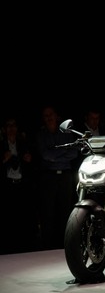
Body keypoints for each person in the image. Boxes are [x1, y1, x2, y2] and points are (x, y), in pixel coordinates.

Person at [35, 105, 80, 249]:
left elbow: (74, 153)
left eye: (51, 114)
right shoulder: (42, 134)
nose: (49, 118)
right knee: (48, 213)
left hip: (65, 176)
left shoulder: (66, 132)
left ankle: (64, 245)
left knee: (65, 211)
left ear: (57, 116)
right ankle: (47, 247)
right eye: (46, 115)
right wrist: (63, 151)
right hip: (48, 177)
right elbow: (46, 155)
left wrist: (55, 154)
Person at [0, 115, 39, 253]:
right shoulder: (1, 145)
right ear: (4, 129)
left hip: (22, 186)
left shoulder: (23, 144)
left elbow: (33, 163)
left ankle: (24, 248)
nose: (11, 128)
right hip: (7, 187)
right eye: (8, 125)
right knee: (8, 218)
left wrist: (29, 160)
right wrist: (4, 160)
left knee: (23, 218)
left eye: (13, 125)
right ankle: (9, 248)